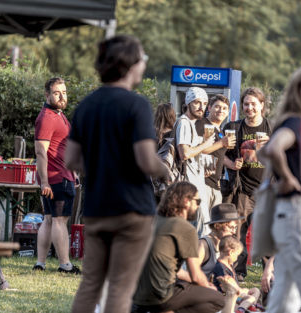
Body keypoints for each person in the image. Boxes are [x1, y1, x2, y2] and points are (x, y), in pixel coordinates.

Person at [65, 35, 168, 313]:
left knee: (90, 284)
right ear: (131, 64)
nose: (144, 65)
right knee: (121, 288)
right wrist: (166, 170)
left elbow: (71, 159)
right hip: (132, 209)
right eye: (143, 59)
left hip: (98, 207)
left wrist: (101, 167)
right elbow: (147, 160)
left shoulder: (86, 105)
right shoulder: (136, 105)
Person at [259, 65, 301, 313]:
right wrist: (287, 177)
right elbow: (272, 149)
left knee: (285, 293)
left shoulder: (297, 122)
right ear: (299, 93)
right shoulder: (297, 123)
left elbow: (263, 151)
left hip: (290, 214)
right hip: (297, 212)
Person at [132, 182, 225, 313]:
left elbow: (173, 270)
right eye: (197, 201)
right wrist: (209, 287)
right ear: (187, 201)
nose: (198, 206)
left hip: (137, 296)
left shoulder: (152, 221)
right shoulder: (185, 228)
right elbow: (196, 276)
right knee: (218, 299)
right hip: (162, 296)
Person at [223, 87, 272, 281]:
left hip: (267, 188)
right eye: (246, 104)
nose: (249, 107)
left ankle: (267, 272)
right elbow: (222, 156)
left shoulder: (272, 128)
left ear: (262, 105)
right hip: (242, 189)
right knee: (238, 232)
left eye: (253, 104)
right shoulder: (235, 127)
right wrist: (232, 165)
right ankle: (238, 272)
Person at [33, 77, 80, 274]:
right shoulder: (46, 118)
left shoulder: (58, 114)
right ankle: (65, 265)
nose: (62, 96)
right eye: (56, 93)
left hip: (62, 174)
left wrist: (74, 171)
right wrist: (44, 181)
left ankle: (40, 263)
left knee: (50, 218)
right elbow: (41, 152)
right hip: (55, 177)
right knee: (60, 220)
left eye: (64, 92)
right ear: (47, 95)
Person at [175, 87, 216, 236]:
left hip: (194, 184)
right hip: (189, 188)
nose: (201, 107)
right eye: (197, 102)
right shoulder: (184, 122)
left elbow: (193, 153)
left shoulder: (191, 124)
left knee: (197, 229)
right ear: (188, 103)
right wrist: (206, 144)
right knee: (200, 230)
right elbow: (184, 153)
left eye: (204, 103)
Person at [195, 95, 236, 210]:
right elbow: (198, 150)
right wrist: (222, 143)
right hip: (202, 183)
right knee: (202, 225)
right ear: (209, 108)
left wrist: (232, 164)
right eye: (217, 107)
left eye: (224, 108)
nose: (220, 110)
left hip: (215, 184)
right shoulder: (202, 124)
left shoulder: (220, 130)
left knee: (213, 225)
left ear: (228, 112)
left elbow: (218, 154)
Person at [212, 236, 262, 313]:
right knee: (250, 298)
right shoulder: (220, 268)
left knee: (256, 290)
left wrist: (242, 291)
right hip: (226, 296)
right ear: (231, 252)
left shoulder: (229, 264)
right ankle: (242, 309)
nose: (237, 257)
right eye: (237, 255)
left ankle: (250, 306)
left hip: (237, 292)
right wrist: (241, 293)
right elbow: (226, 289)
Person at [198, 203, 243, 279]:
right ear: (217, 226)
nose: (234, 232)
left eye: (235, 228)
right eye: (231, 227)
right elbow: (189, 274)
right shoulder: (203, 245)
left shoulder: (228, 246)